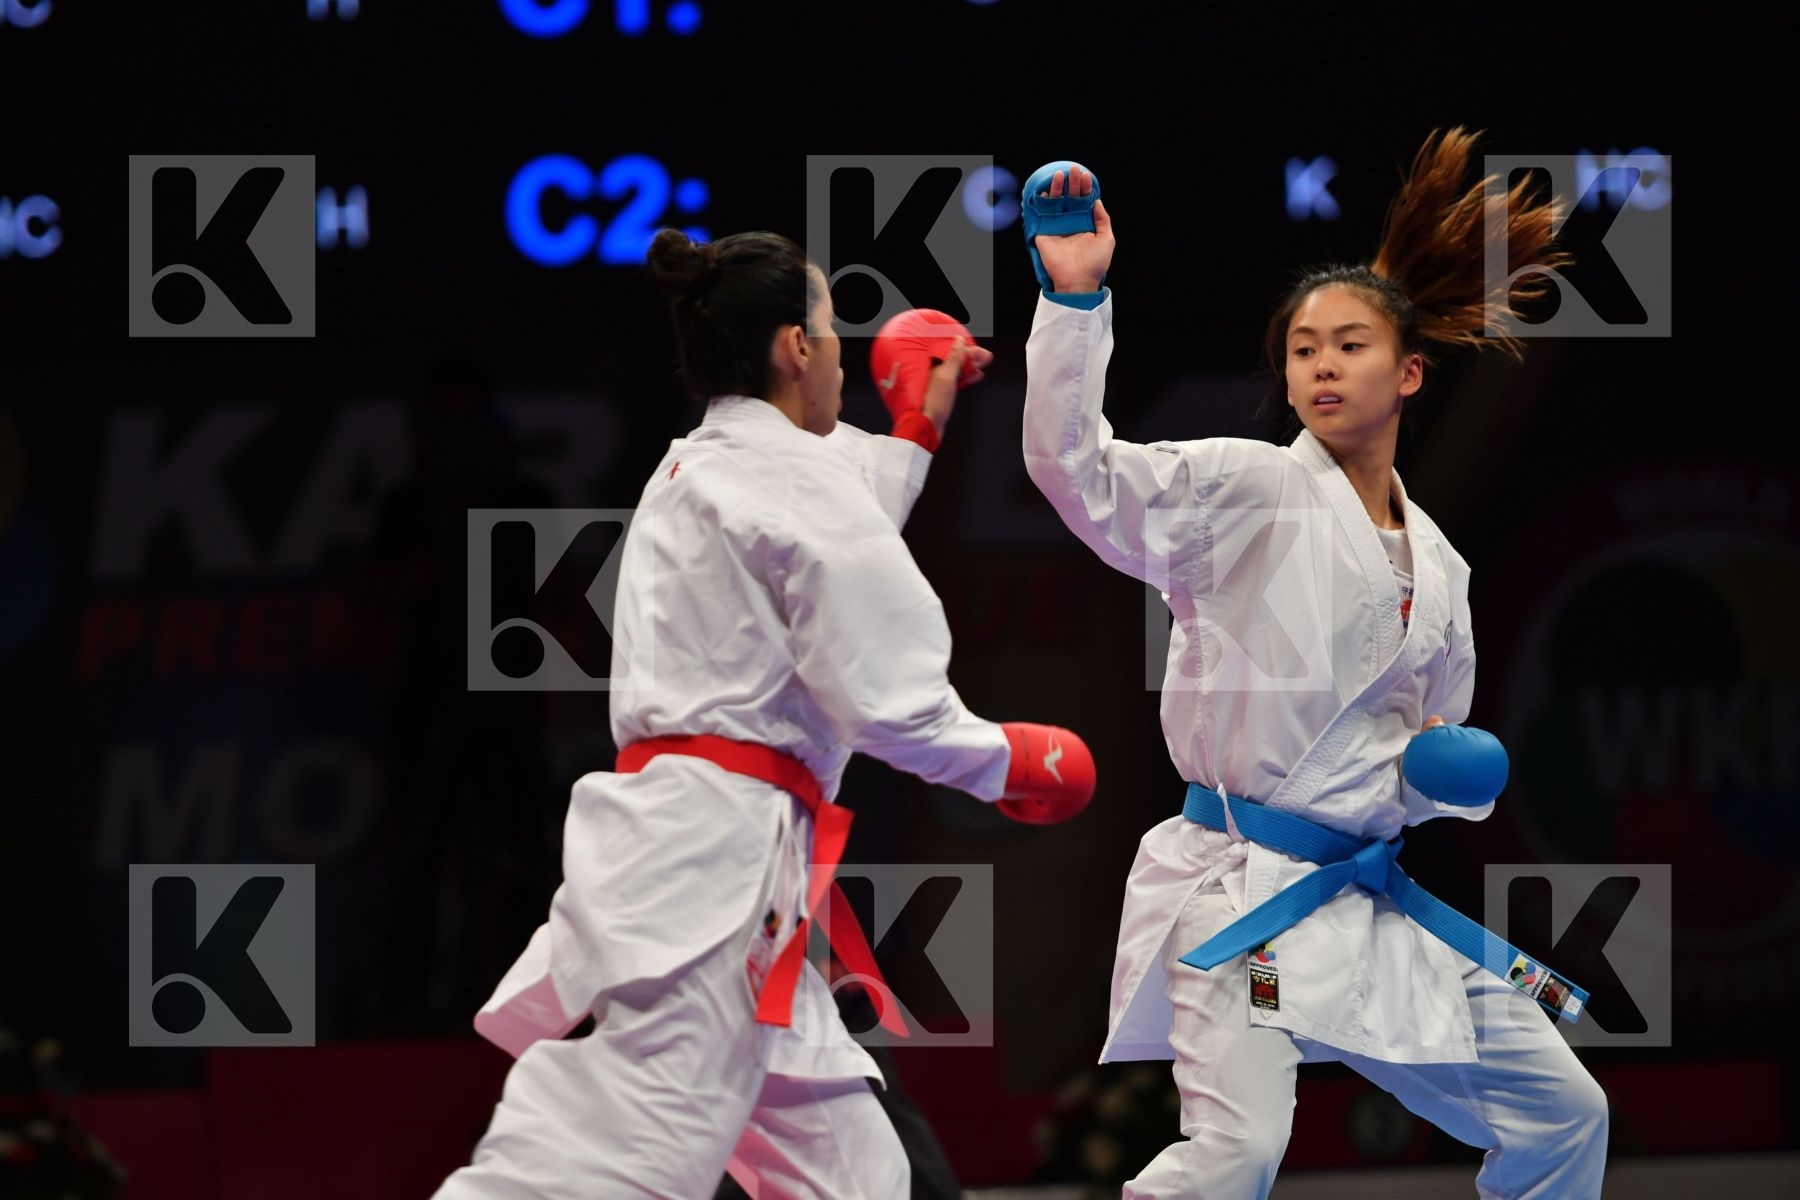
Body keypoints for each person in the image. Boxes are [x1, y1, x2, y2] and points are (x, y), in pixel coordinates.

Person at [433, 227, 1095, 1199]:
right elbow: (882, 695)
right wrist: (1003, 761)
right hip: (712, 871)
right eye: (828, 330)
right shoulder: (771, 480)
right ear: (794, 348)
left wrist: (916, 428)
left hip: (722, 861)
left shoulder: (702, 469)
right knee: (605, 1163)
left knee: (860, 1176)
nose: (838, 351)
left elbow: (829, 525)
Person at [1021, 131, 1609, 1198]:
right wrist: (1073, 303)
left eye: (1349, 345)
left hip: (1366, 903)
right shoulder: (1245, 492)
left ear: (1411, 372)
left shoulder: (1442, 567)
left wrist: (1446, 783)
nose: (1322, 366)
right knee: (1239, 1150)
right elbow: (1076, 471)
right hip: (1250, 909)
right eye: (1302, 349)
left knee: (1565, 1113)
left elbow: (1424, 766)